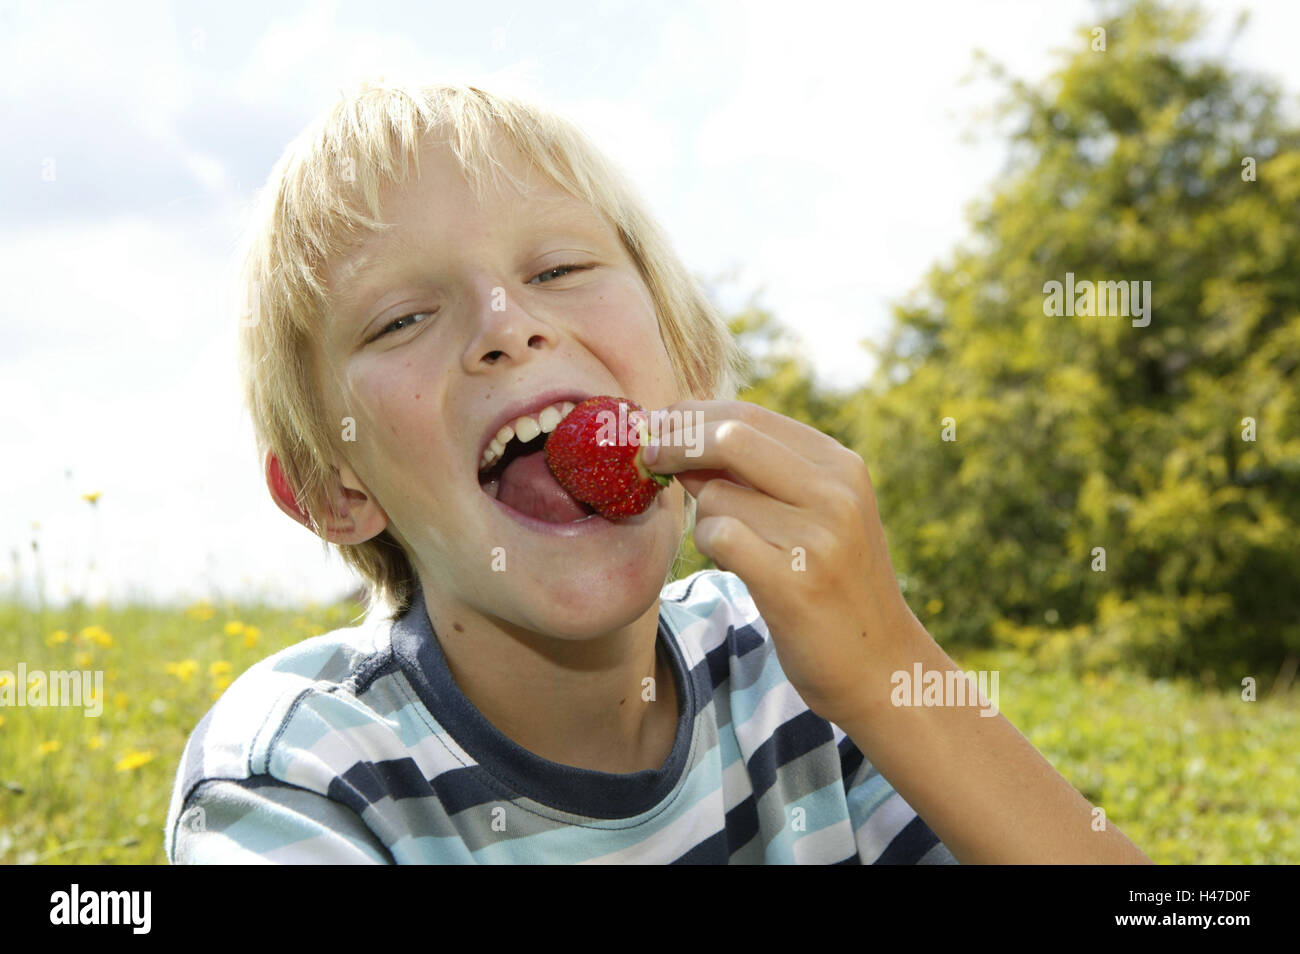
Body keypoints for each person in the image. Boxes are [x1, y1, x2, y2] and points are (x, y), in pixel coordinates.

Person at [164, 80, 1150, 864]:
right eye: (401, 319)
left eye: (556, 270)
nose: (508, 325)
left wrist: (886, 669)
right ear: (336, 490)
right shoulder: (297, 774)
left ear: (684, 365)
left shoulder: (790, 673)